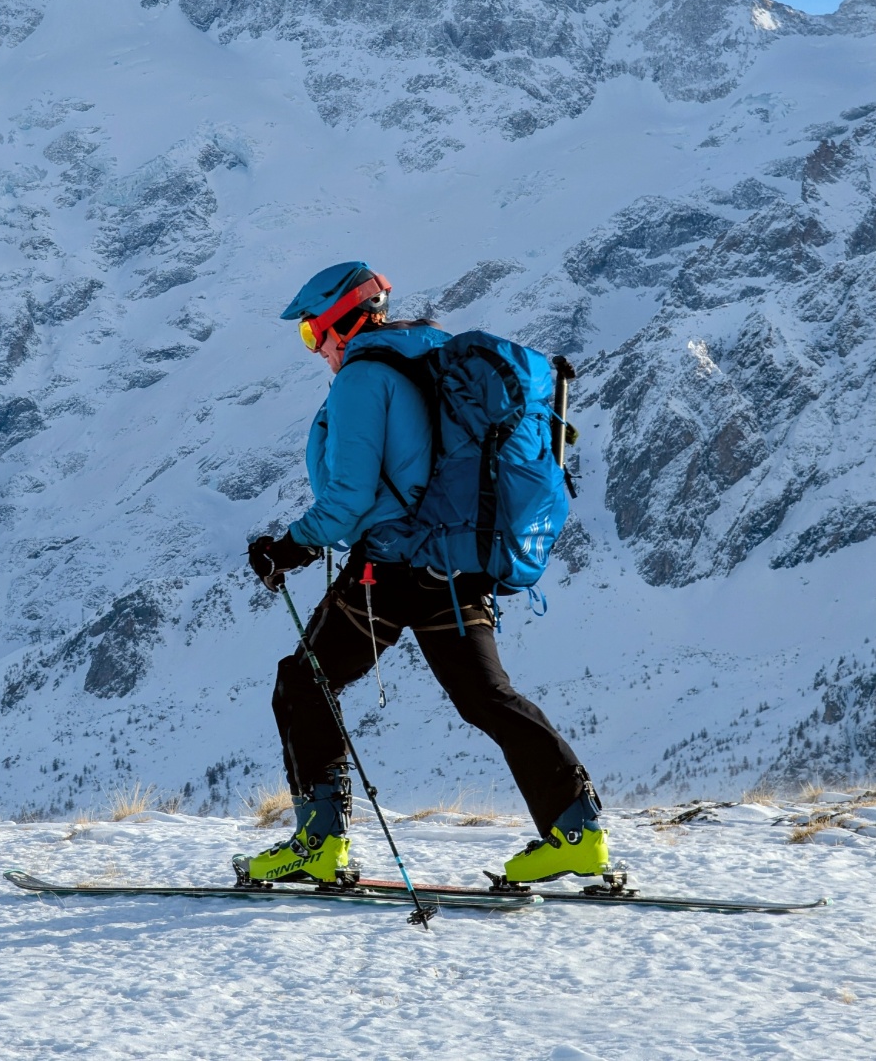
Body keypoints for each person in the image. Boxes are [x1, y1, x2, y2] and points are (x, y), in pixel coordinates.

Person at [236, 260, 608, 887]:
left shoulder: (363, 378)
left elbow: (349, 499)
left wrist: (289, 548)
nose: (314, 349)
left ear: (336, 322)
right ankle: (577, 832)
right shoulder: (422, 353)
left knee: (303, 681)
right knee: (488, 698)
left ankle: (319, 844)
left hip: (396, 566)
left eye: (310, 334)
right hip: (457, 563)